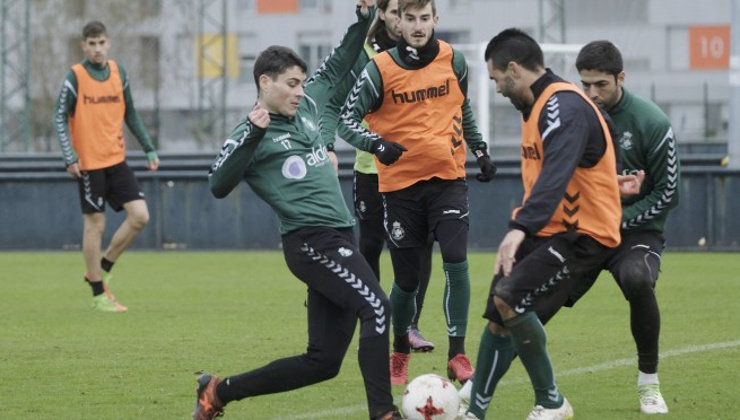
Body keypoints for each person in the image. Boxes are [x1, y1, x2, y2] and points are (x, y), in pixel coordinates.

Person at [193, 3, 401, 420]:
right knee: (377, 307)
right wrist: (253, 135)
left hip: (340, 238)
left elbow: (341, 58)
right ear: (264, 83)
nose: (299, 90)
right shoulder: (251, 130)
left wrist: (364, 19)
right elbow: (217, 183)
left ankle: (219, 391)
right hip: (311, 241)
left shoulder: (306, 108)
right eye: (291, 83)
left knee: (323, 362)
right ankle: (383, 413)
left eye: (302, 82)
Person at [460, 28, 625, 420]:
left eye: (497, 78)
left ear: (514, 70)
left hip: (582, 234)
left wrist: (519, 228)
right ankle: (473, 411)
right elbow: (602, 136)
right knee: (500, 316)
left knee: (510, 298)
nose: (497, 88)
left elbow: (555, 173)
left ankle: (551, 401)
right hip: (549, 230)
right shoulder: (540, 106)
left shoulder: (559, 107)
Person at [338, 0, 496, 386]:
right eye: (410, 18)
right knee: (407, 280)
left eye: (425, 18)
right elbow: (345, 119)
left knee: (456, 260)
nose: (418, 26)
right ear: (398, 23)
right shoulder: (380, 68)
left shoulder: (453, 60)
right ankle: (399, 352)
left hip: (448, 179)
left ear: (435, 20)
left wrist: (480, 150)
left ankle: (458, 353)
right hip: (400, 189)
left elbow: (463, 108)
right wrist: (376, 144)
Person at [321, 0, 435, 353]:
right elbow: (332, 102)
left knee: (420, 247)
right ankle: (373, 316)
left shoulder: (429, 52)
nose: (407, 21)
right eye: (399, 12)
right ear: (384, 15)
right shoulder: (362, 53)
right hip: (372, 168)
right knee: (369, 246)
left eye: (414, 14)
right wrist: (326, 144)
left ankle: (410, 324)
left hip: (418, 169)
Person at [574, 40, 680, 414]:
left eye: (600, 84)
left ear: (621, 78)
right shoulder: (577, 117)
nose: (592, 93)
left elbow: (668, 193)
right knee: (534, 293)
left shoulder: (652, 122)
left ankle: (648, 384)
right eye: (585, 84)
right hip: (586, 229)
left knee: (637, 277)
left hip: (636, 231)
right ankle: (516, 388)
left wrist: (618, 221)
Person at [53, 20, 160, 313]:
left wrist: (149, 147)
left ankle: (101, 267)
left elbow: (132, 113)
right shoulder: (74, 76)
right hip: (88, 163)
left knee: (140, 216)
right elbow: (59, 116)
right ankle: (99, 293)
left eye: (102, 43)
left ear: (108, 43)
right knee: (95, 225)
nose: (98, 48)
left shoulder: (118, 72)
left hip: (117, 159)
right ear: (83, 46)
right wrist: (69, 155)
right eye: (92, 43)